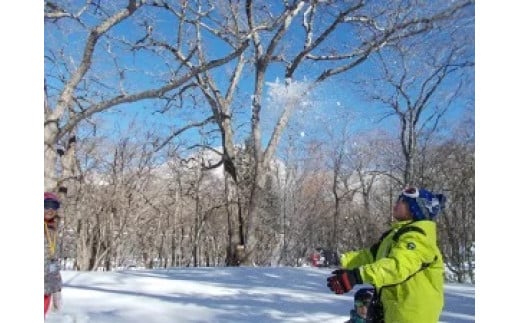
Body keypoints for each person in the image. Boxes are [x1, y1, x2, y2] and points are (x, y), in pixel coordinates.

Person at [327, 187, 446, 323]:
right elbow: (370, 256)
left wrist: (357, 276)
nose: (396, 203)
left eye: (403, 201)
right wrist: (341, 259)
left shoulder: (418, 238)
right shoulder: (396, 235)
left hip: (412, 315)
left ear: (416, 208)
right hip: (394, 311)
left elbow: (396, 266)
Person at [44, 192, 63, 317]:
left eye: (54, 206)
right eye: (46, 205)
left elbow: (53, 260)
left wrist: (56, 288)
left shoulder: (53, 229)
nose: (50, 209)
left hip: (46, 284)